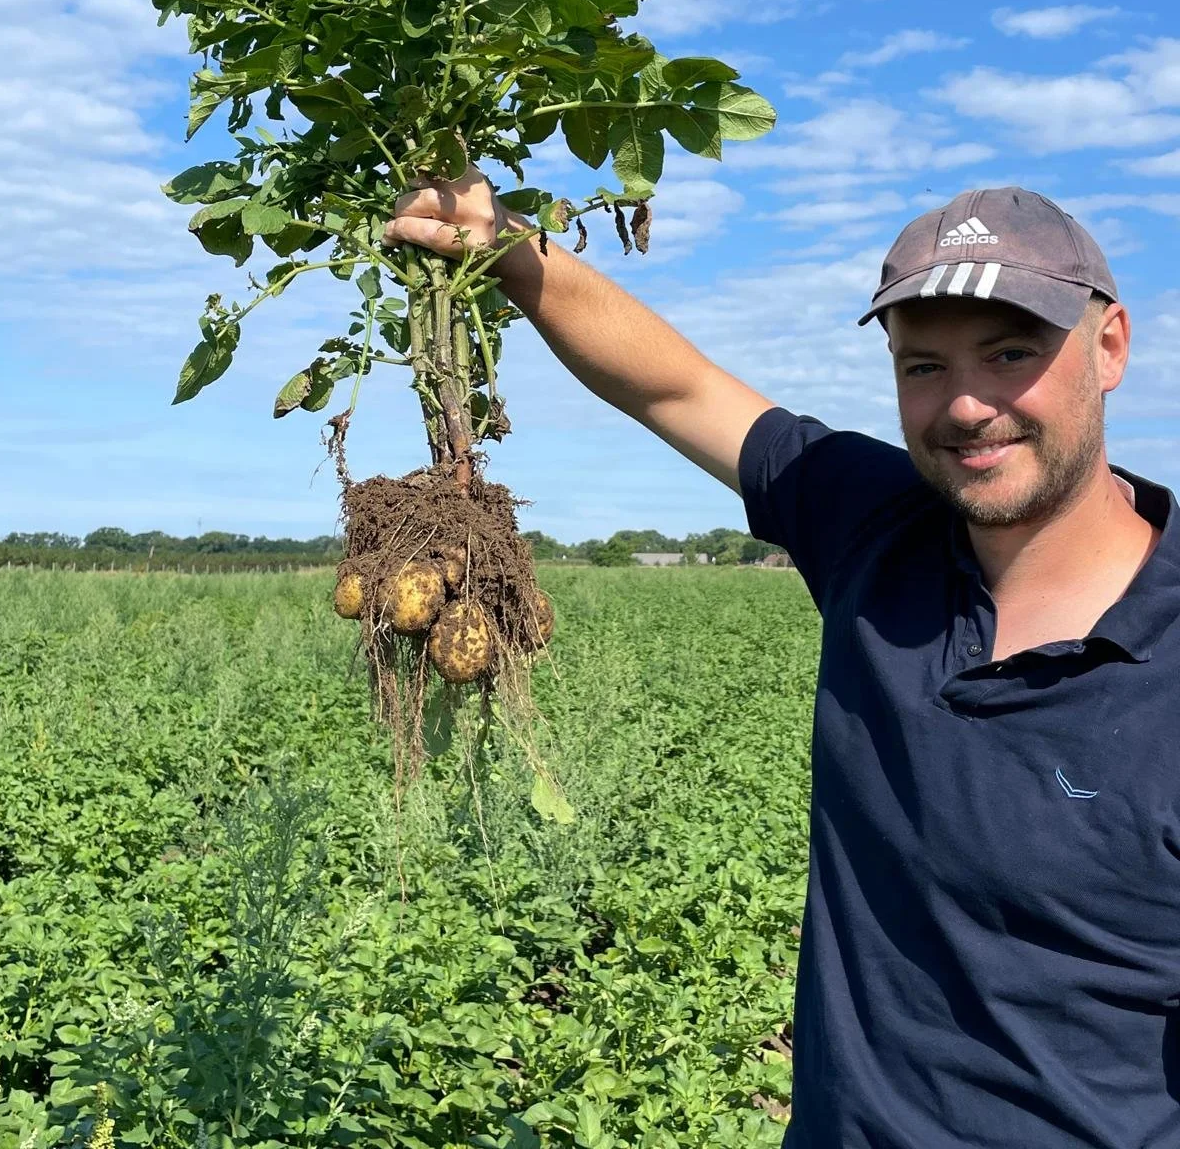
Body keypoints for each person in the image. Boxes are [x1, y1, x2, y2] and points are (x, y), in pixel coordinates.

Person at [385, 172, 1179, 1149]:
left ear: (1110, 347)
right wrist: (505, 245)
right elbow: (677, 387)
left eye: (1010, 353)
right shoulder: (875, 526)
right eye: (924, 365)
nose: (967, 405)